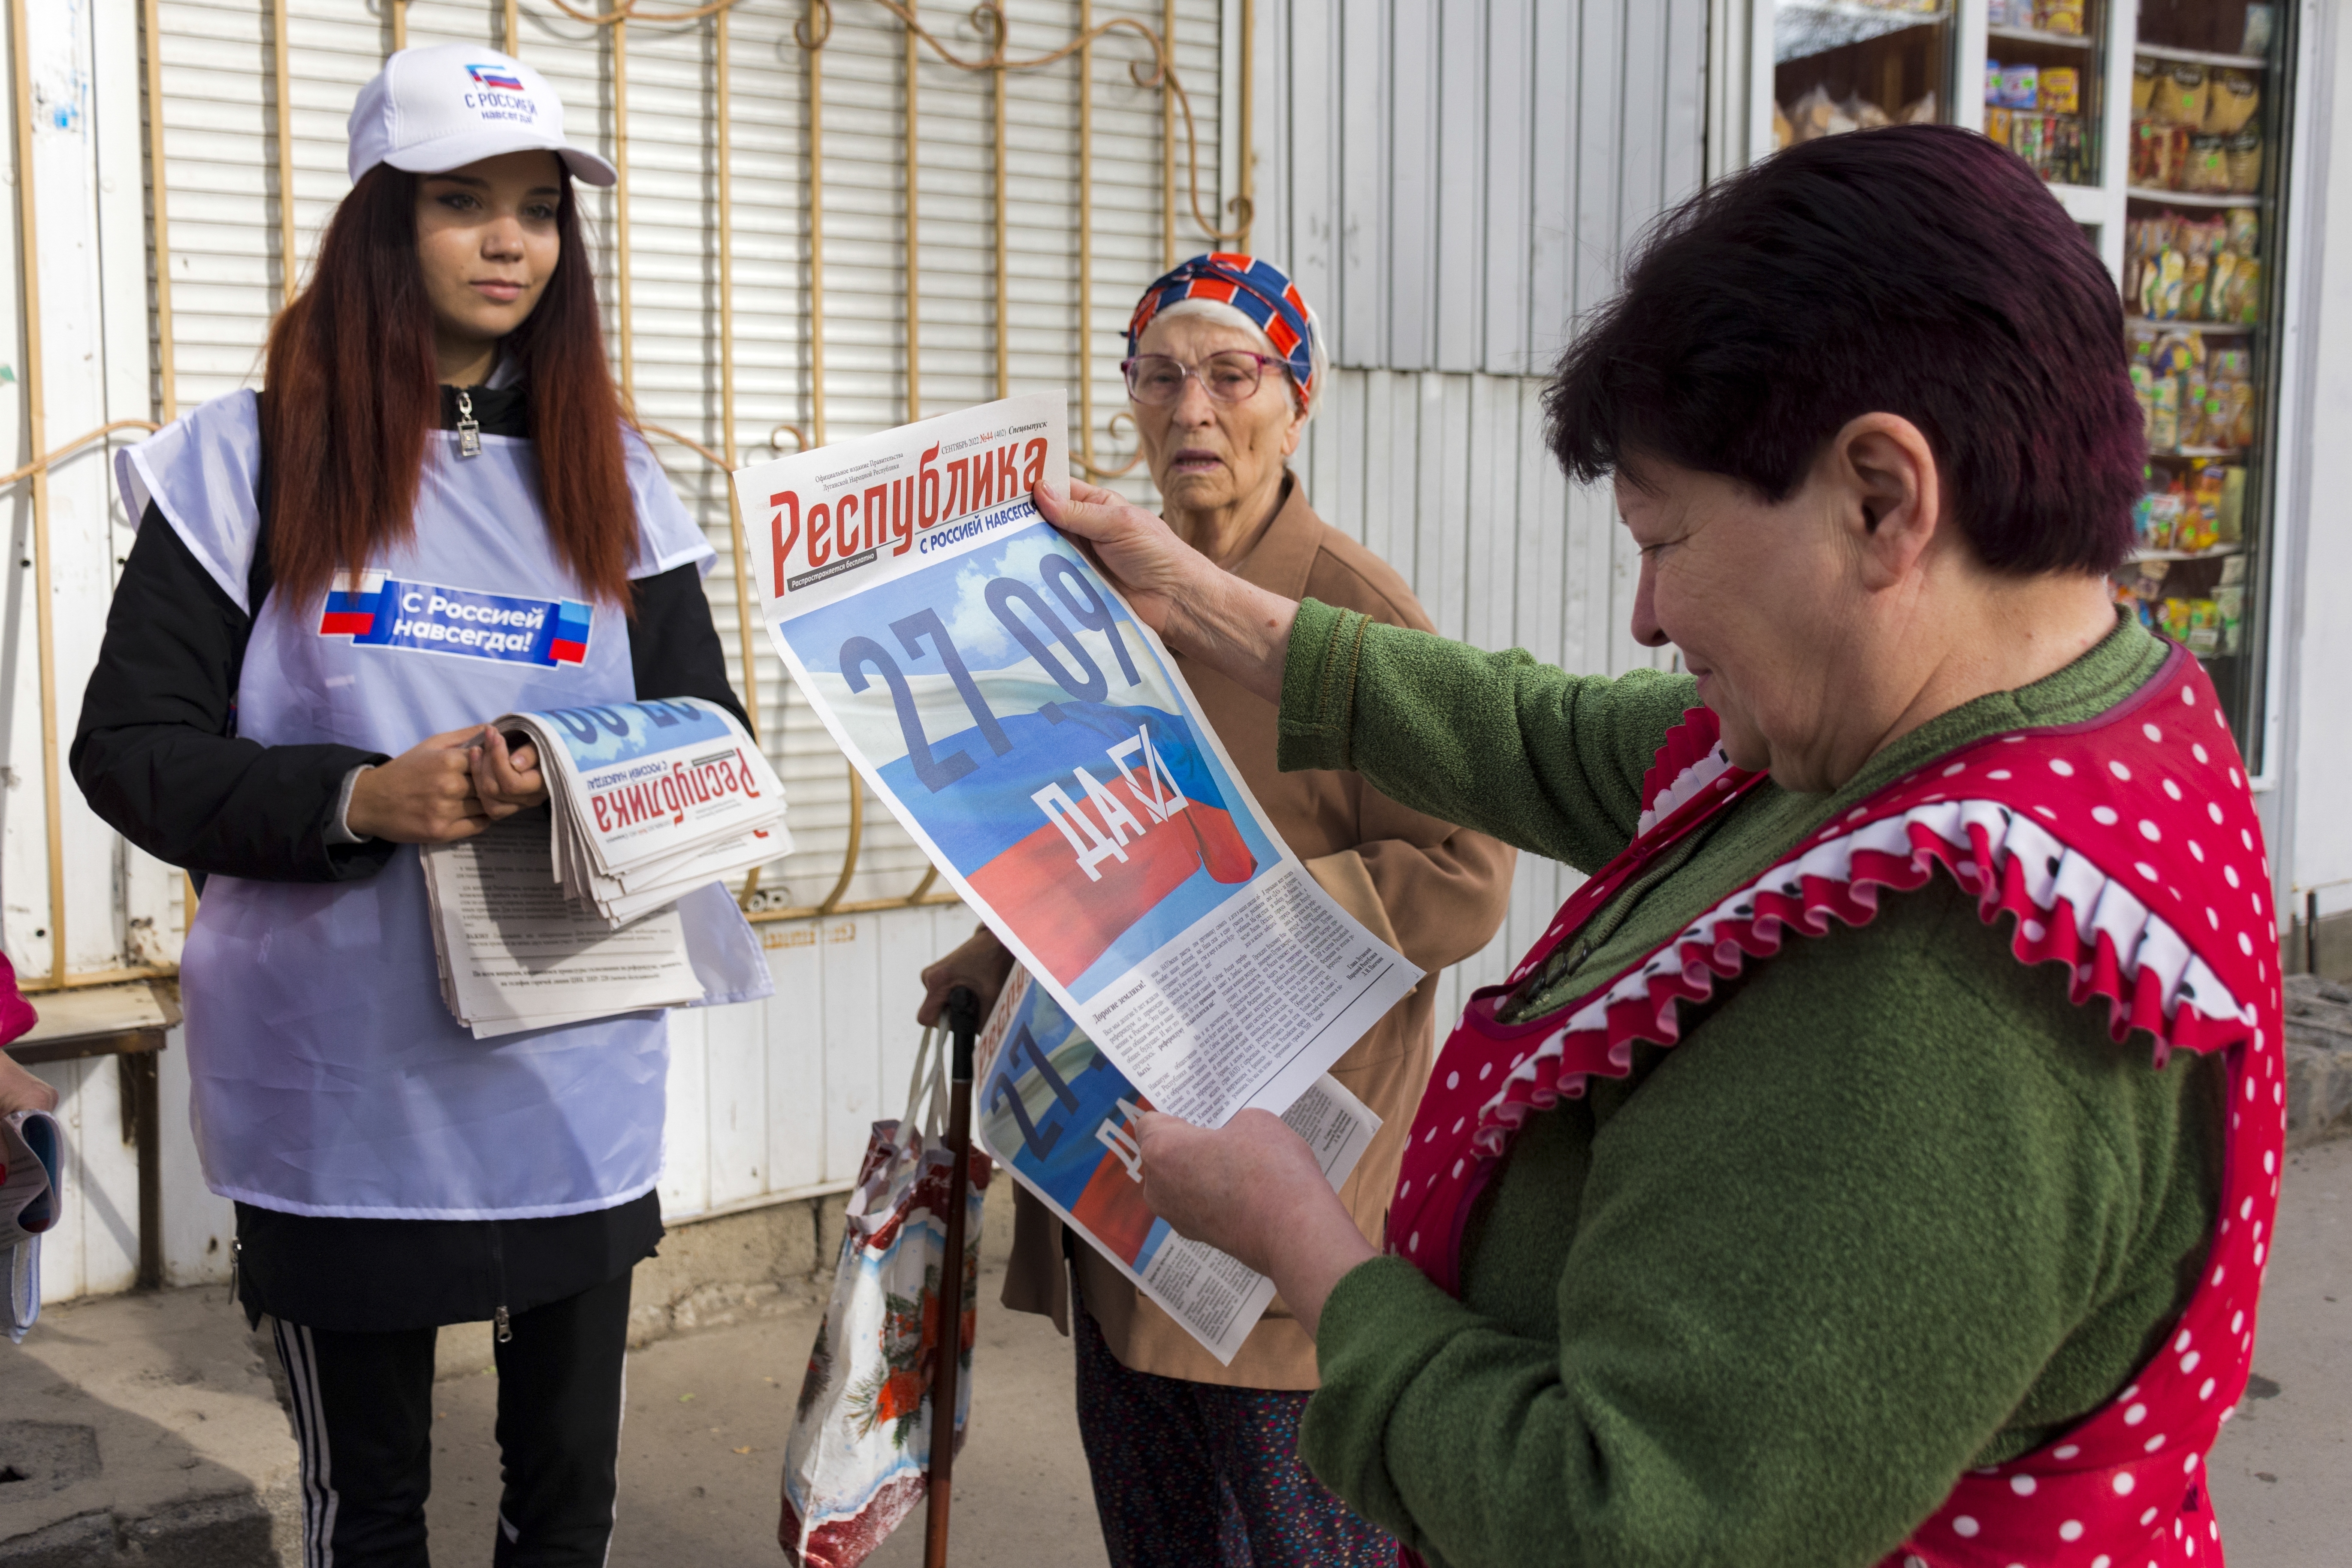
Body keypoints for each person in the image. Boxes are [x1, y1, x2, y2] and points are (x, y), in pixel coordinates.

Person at [1039, 127, 2280, 1568]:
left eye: (1662, 540)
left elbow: (1623, 1522)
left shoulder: (1940, 991)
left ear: (1881, 501)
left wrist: (1306, 1243)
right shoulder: (2006, 712)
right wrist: (1204, 601)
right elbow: (1550, 736)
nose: (1644, 619)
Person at [71, 45, 764, 1568]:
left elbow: (710, 734)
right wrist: (362, 798)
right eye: (463, 202)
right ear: (383, 223)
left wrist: (573, 774)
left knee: (561, 1509)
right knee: (368, 1515)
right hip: (344, 1090)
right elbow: (127, 747)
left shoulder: (621, 479)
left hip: (570, 1076)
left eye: (537, 208)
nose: (511, 241)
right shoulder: (244, 464)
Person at [916, 253, 1514, 1567]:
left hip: (1289, 1154)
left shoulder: (1355, 613)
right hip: (1113, 1145)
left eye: (1230, 375)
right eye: (1160, 375)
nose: (1193, 409)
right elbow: (1076, 840)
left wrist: (1248, 923)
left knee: (1302, 1533)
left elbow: (1465, 873)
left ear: (1295, 402)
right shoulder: (1087, 595)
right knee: (1156, 1528)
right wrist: (986, 953)